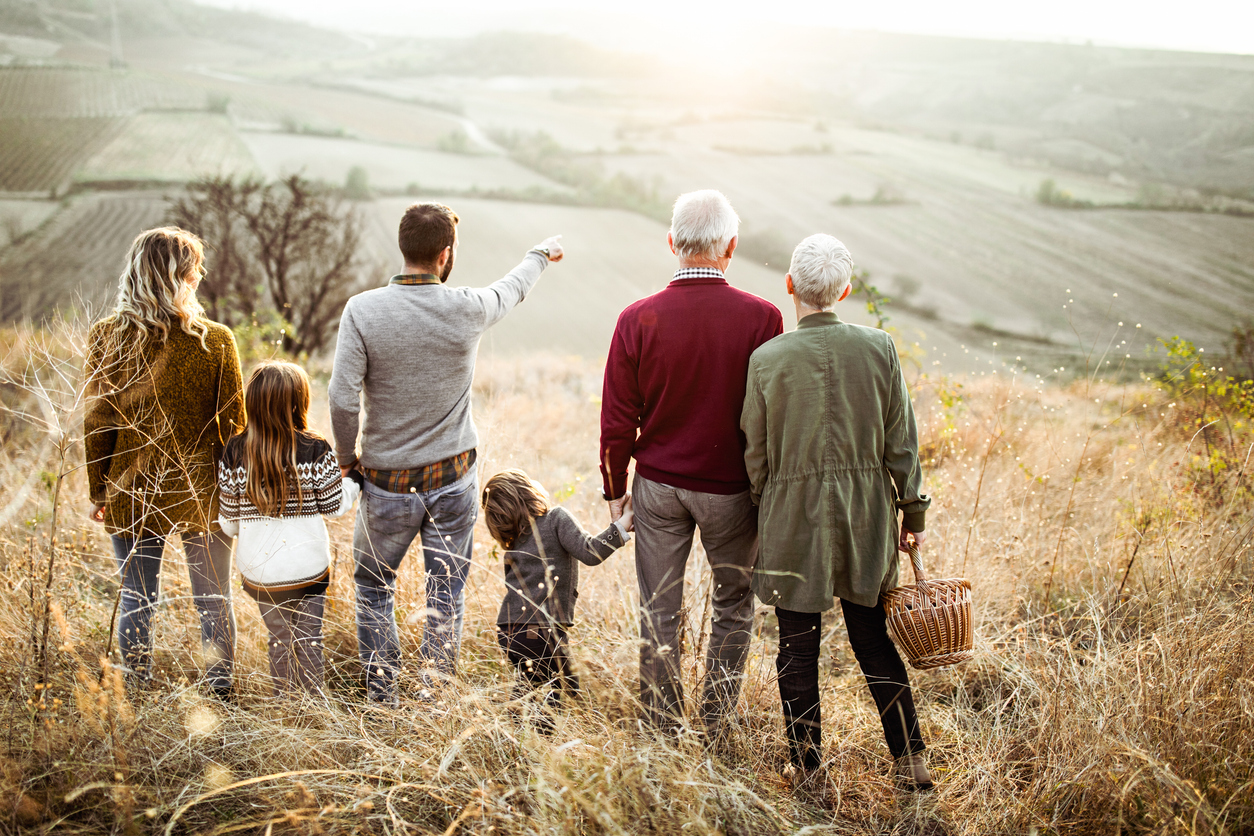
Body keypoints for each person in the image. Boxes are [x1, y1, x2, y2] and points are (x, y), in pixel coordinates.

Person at [329, 202, 565, 705]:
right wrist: (540, 254)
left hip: (386, 485)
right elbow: (513, 287)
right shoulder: (468, 306)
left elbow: (341, 397)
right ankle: (436, 695)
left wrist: (347, 460)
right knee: (446, 590)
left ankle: (382, 695)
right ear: (445, 254)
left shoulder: (362, 310)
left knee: (373, 587)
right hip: (453, 481)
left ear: (404, 247)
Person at [740, 233, 935, 793]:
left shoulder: (766, 359)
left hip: (790, 515)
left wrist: (764, 506)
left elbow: (755, 450)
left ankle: (807, 772)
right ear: (845, 290)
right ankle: (911, 761)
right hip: (866, 516)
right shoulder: (880, 348)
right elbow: (902, 443)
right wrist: (911, 515)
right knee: (873, 639)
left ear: (789, 287)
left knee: (796, 644)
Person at [599, 189, 784, 735]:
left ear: (673, 242)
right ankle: (718, 723)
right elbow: (770, 417)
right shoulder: (763, 318)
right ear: (730, 247)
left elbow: (616, 419)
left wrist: (616, 490)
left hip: (657, 489)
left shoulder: (636, 318)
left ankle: (659, 727)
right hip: (732, 492)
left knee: (658, 608)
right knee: (733, 604)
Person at [84, 226, 244, 697]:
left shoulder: (106, 338)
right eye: (194, 266)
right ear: (177, 276)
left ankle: (135, 691)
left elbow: (98, 425)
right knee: (214, 598)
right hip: (202, 489)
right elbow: (234, 426)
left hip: (130, 488)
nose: (202, 274)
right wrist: (235, 492)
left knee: (137, 597)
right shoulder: (214, 341)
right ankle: (219, 694)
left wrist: (100, 491)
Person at [217, 361, 362, 696]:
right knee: (309, 640)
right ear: (299, 403)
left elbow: (228, 524)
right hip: (308, 570)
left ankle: (284, 705)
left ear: (251, 402)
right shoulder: (315, 448)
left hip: (262, 573)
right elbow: (334, 506)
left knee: (280, 639)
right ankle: (312, 708)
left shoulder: (234, 452)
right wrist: (354, 480)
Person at [481, 469, 634, 728]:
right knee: (560, 688)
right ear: (529, 491)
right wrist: (622, 525)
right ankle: (539, 745)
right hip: (541, 629)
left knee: (533, 683)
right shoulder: (555, 519)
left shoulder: (513, 541)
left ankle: (513, 733)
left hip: (508, 630)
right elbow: (590, 553)